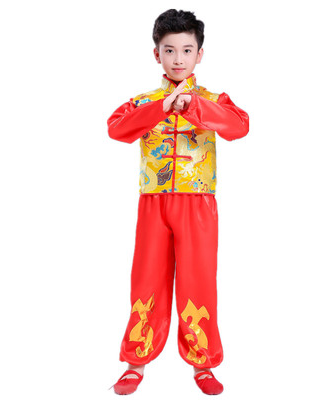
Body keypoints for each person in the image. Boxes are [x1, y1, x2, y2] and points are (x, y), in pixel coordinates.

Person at [107, 9, 249, 395]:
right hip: (153, 203)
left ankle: (203, 364)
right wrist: (162, 107)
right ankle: (135, 362)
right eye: (169, 50)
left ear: (200, 54)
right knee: (146, 280)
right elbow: (116, 129)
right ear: (157, 54)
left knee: (198, 281)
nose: (178, 59)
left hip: (198, 204)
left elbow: (239, 126)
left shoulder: (213, 100)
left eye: (187, 50)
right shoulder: (143, 102)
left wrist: (194, 107)